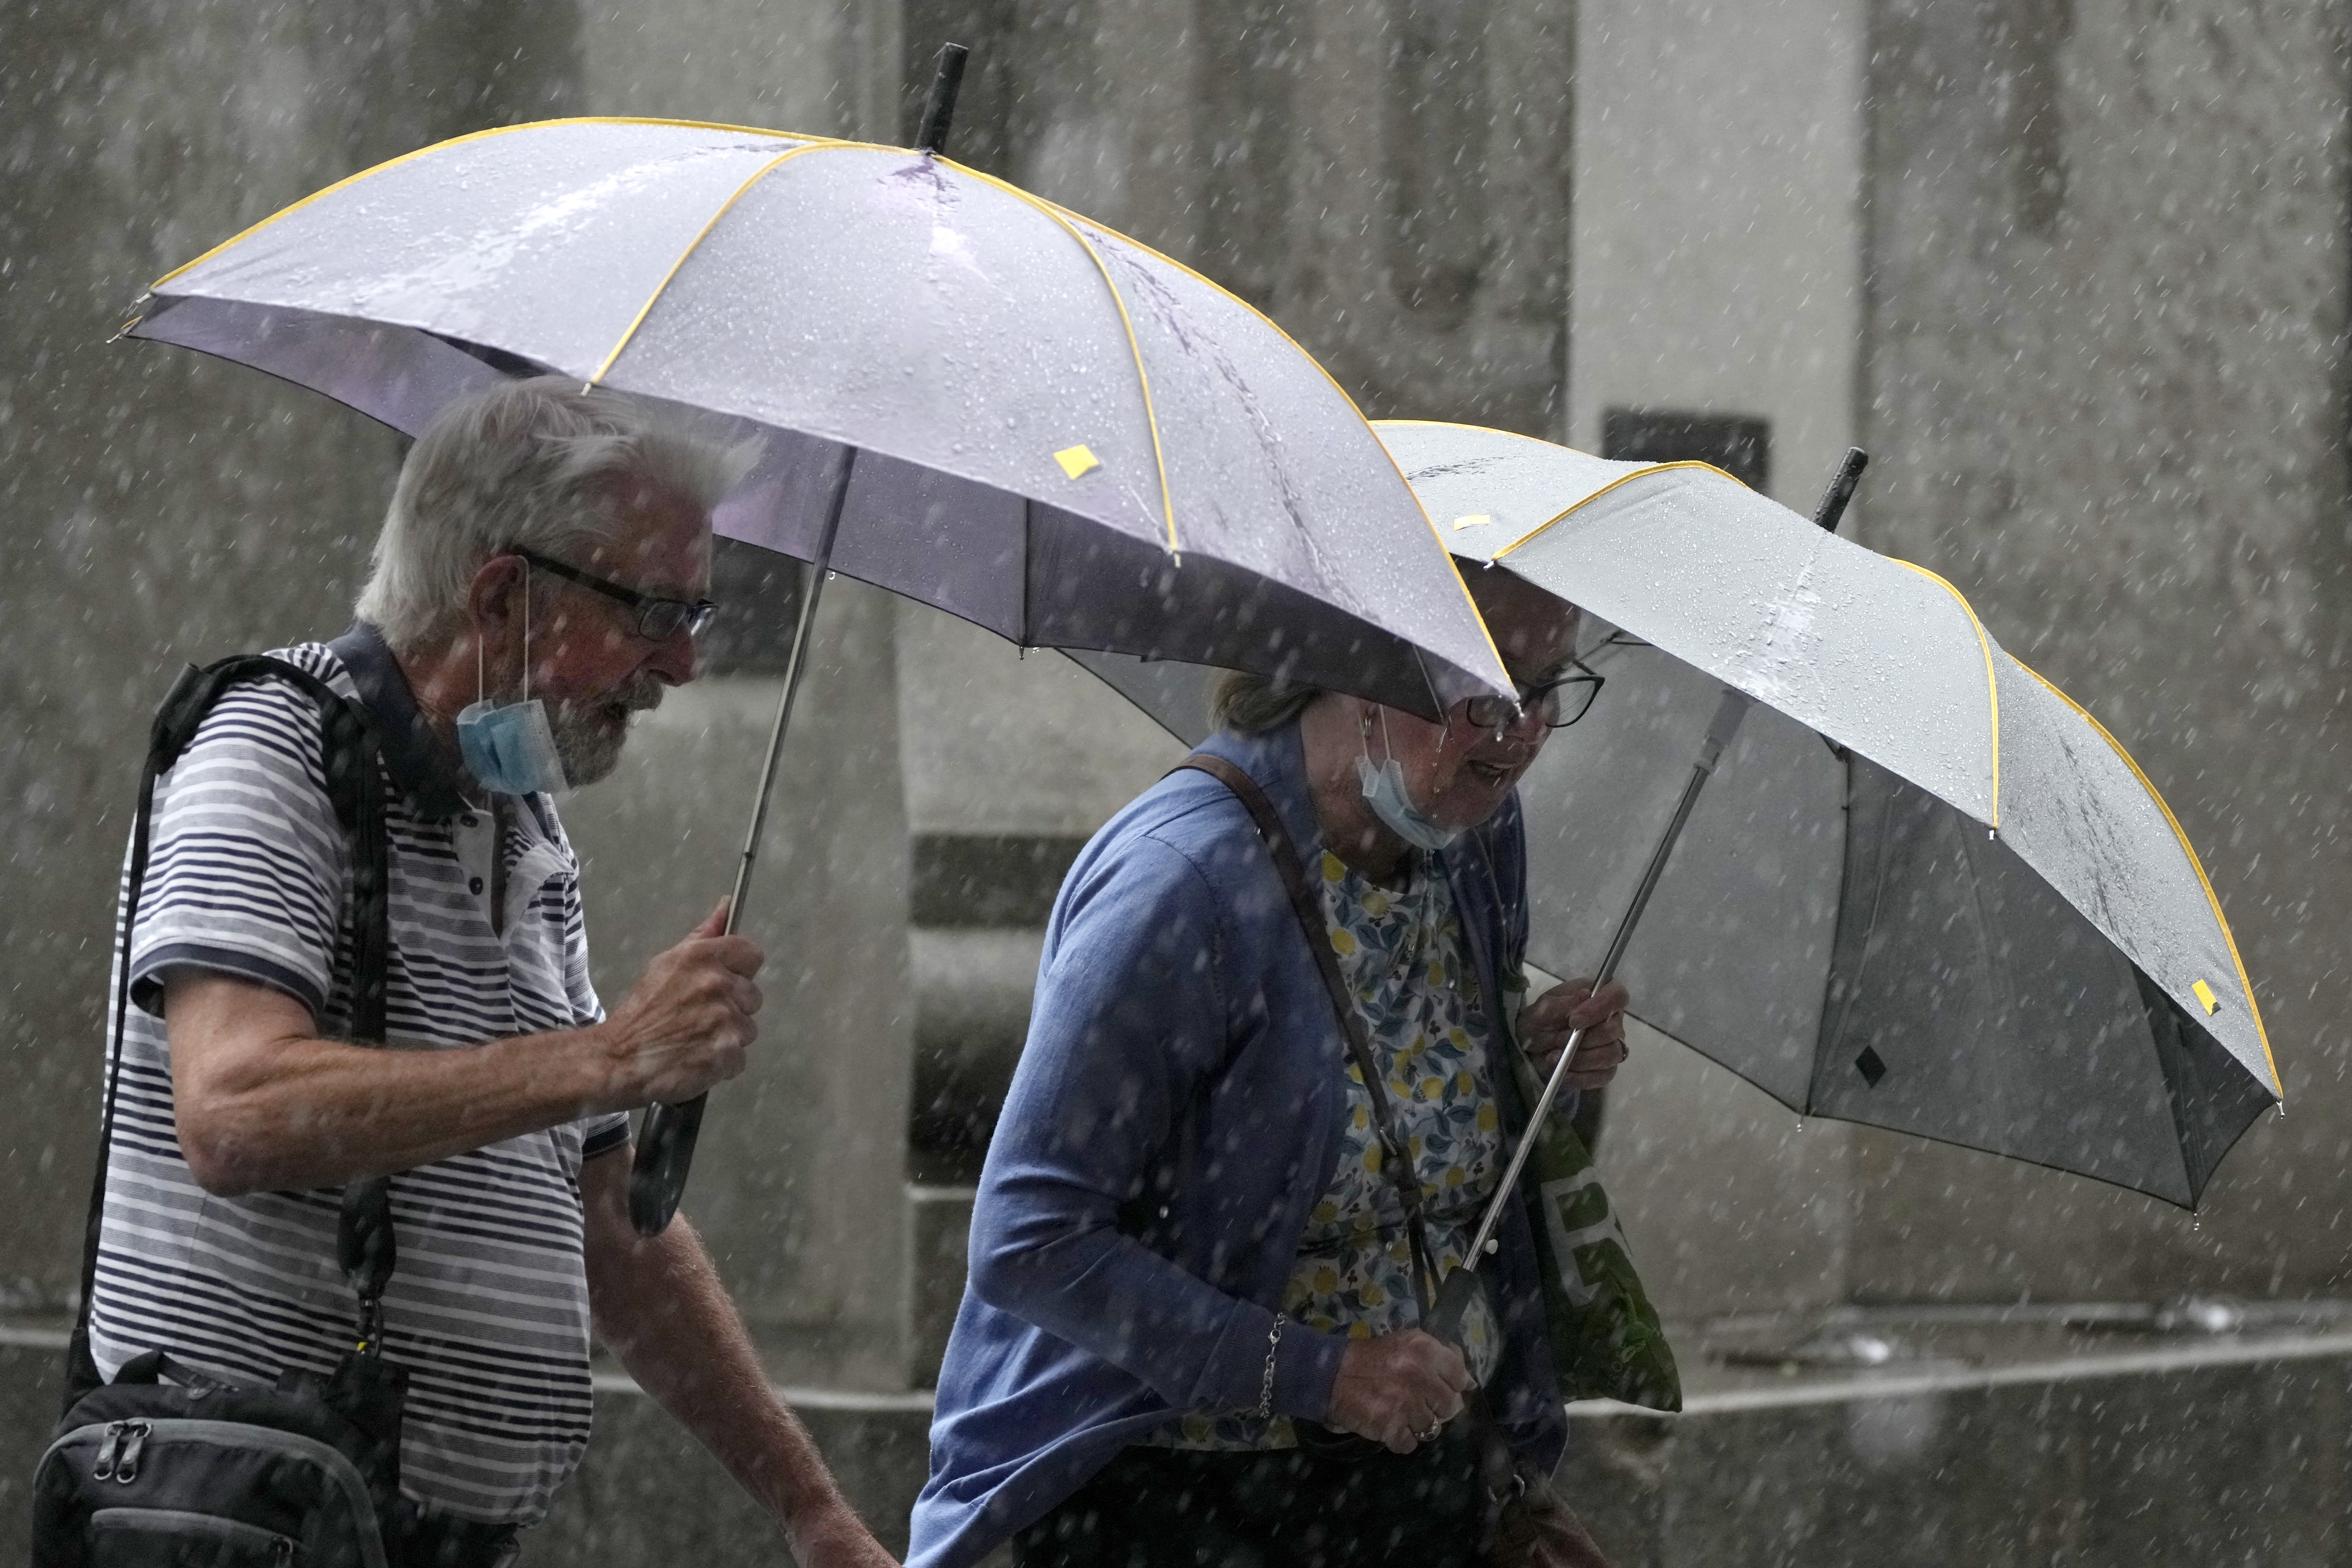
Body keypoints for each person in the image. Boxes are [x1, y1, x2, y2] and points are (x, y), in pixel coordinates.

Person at [86, 376, 894, 1567]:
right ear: (503, 596)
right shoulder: (274, 743)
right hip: (243, 1513)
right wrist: (608, 1056)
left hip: (413, 1535)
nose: (679, 664)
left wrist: (809, 1508)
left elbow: (605, 1217)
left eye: (698, 617)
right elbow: (235, 1111)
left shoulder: (521, 824)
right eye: (653, 611)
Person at [909, 564, 1630, 1567]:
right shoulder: (1182, 885)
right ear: (1354, 660)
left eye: (1550, 685)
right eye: (1489, 683)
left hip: (1401, 1482)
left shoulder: (1472, 837)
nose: (1522, 730)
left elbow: (1415, 1120)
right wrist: (1322, 1374)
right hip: (1171, 1498)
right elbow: (1030, 1241)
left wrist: (1524, 1056)